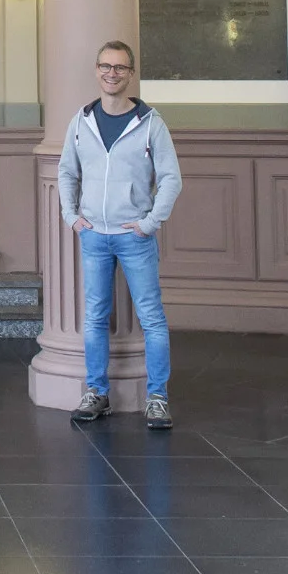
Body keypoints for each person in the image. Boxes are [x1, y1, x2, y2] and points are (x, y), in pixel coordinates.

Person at [58, 40, 182, 430]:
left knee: (152, 318)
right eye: (105, 66)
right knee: (94, 318)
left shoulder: (150, 122)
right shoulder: (81, 121)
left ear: (130, 74)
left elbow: (171, 178)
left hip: (135, 237)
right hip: (93, 235)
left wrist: (149, 222)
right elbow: (66, 172)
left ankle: (157, 398)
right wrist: (71, 216)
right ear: (97, 71)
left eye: (120, 68)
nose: (112, 73)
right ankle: (96, 393)